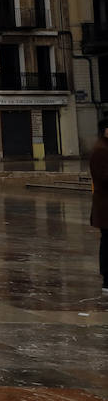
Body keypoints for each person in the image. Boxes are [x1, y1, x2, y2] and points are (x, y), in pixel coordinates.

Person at [91, 117, 108, 294]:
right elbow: (104, 177)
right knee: (107, 243)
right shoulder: (101, 150)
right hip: (105, 207)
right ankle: (107, 280)